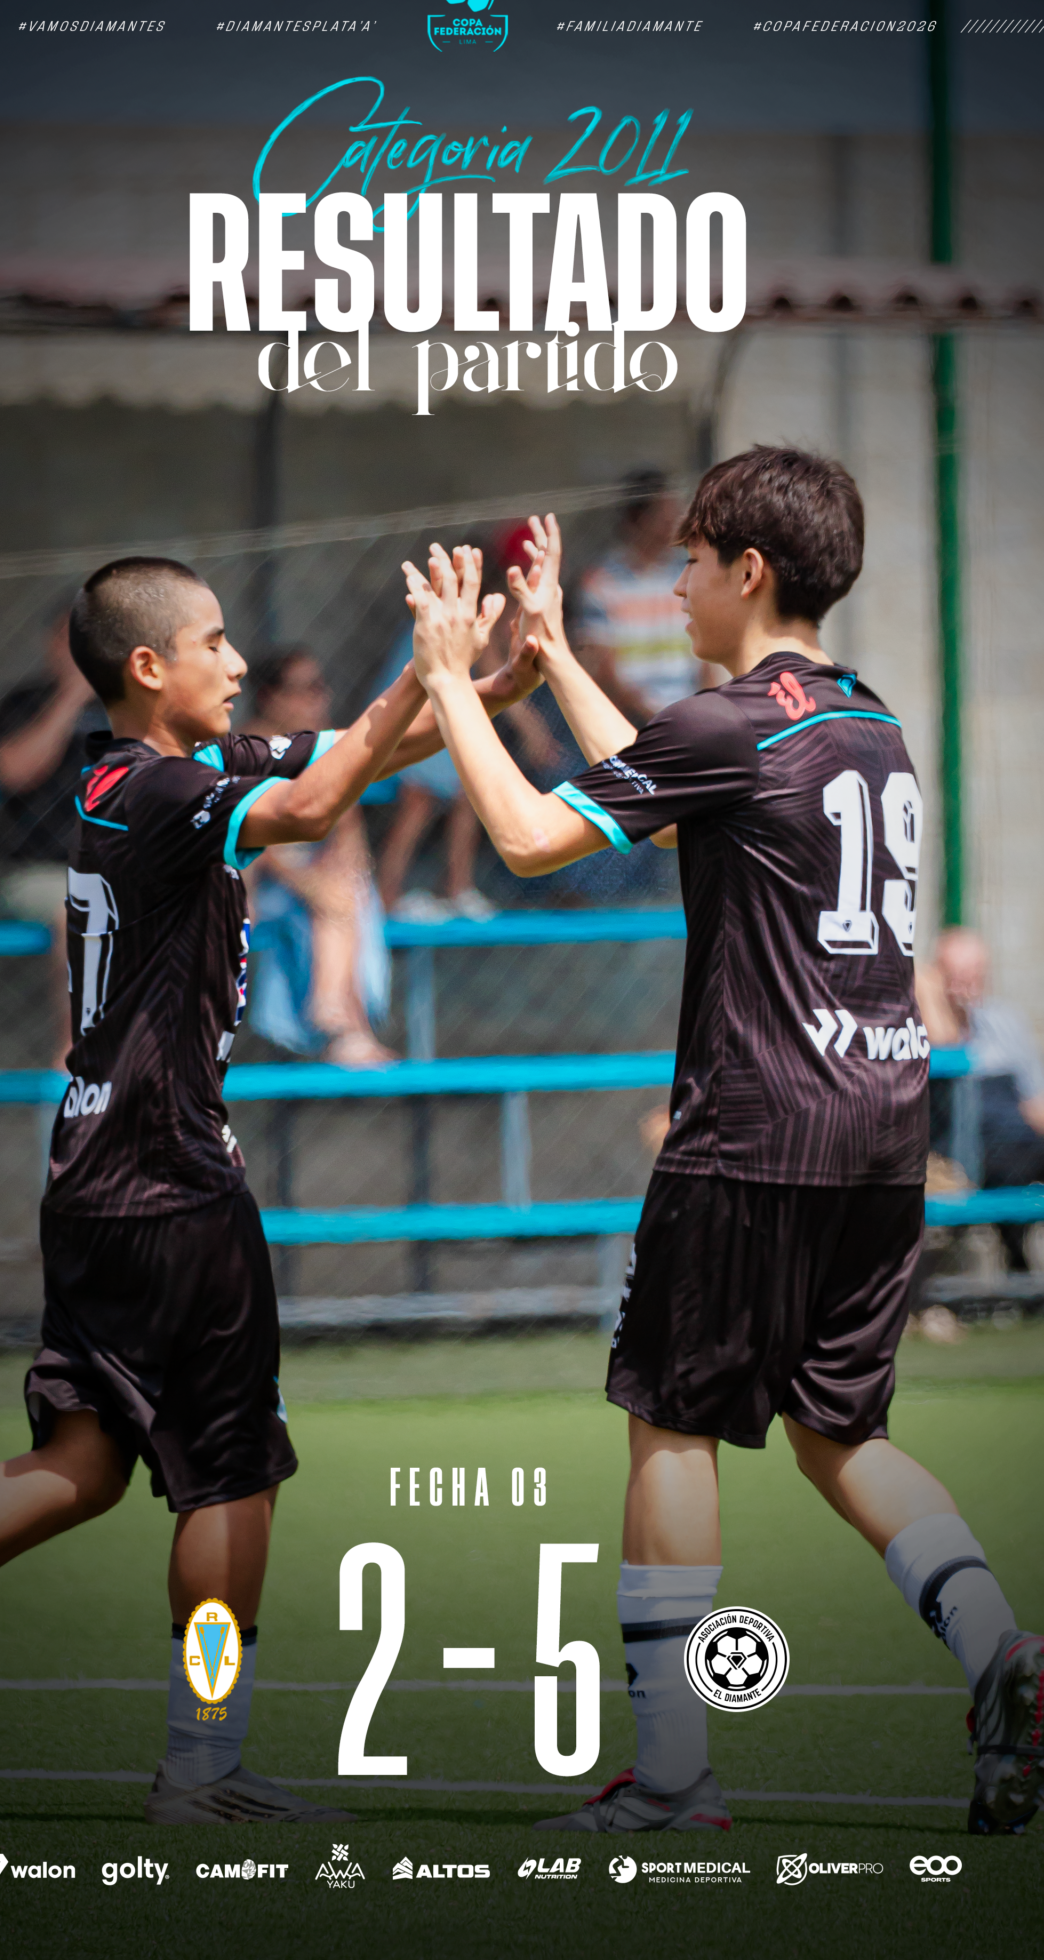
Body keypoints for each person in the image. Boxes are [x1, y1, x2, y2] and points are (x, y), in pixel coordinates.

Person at [403, 448, 1043, 1840]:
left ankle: (675, 1778)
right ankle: (1001, 1645)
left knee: (671, 1427)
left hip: (753, 1129)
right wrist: (556, 660)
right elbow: (669, 781)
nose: (677, 584)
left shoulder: (729, 721)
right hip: (882, 1130)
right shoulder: (868, 718)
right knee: (841, 1431)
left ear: (748, 572)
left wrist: (450, 679)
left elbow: (528, 837)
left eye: (692, 561)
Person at [0, 554, 542, 1826]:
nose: (239, 660)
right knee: (229, 1475)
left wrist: (476, 689)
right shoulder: (173, 790)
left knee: (81, 1459)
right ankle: (203, 1765)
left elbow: (352, 751)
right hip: (172, 1180)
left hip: (91, 1169)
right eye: (216, 641)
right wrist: (433, 671)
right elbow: (316, 802)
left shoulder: (129, 770)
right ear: (150, 666)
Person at [376, 532, 561, 922]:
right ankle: (387, 898)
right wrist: (533, 731)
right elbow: (498, 675)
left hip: (430, 709)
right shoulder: (473, 612)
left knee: (465, 795)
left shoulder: (458, 609)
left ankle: (457, 889)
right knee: (419, 801)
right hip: (413, 711)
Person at [244, 648, 393, 1068]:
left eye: (321, 687)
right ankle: (342, 1025)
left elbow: (349, 830)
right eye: (306, 689)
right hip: (257, 882)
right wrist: (313, 884)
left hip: (310, 882)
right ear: (271, 698)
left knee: (348, 890)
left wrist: (344, 869)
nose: (320, 698)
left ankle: (338, 1020)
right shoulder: (250, 749)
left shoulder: (322, 747)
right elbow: (254, 841)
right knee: (334, 900)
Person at [0, 608, 109, 1066]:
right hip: (42, 870)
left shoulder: (133, 705)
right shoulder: (23, 704)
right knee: (80, 905)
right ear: (50, 645)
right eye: (70, 640)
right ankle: (78, 1051)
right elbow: (15, 772)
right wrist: (72, 697)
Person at [919, 926, 1044, 1270]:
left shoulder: (1003, 1021)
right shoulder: (926, 1023)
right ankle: (1017, 1260)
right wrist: (930, 993)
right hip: (964, 1150)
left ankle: (1019, 1262)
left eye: (975, 973)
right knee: (1004, 1168)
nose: (966, 984)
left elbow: (1034, 1102)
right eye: (955, 973)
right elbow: (945, 1041)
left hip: (1020, 1140)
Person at [574, 469, 712, 723]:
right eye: (665, 511)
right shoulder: (602, 582)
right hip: (632, 720)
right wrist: (658, 720)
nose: (676, 518)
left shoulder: (688, 571)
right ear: (638, 518)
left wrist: (706, 710)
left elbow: (707, 659)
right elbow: (604, 669)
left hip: (691, 715)